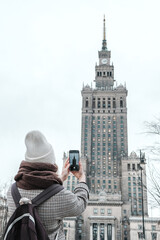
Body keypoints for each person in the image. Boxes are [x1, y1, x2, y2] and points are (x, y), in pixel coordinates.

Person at [7, 130, 89, 240]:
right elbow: (80, 204)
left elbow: (38, 187)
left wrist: (61, 178)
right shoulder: (61, 195)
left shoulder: (12, 191)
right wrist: (82, 179)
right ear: (51, 162)